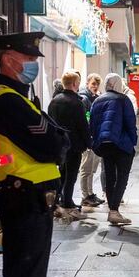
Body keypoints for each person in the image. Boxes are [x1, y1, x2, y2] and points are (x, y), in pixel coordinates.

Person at [0, 32, 69, 277]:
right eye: (29, 58)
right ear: (8, 59)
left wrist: (59, 140)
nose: (34, 64)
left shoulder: (18, 97)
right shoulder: (7, 100)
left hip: (29, 200)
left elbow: (59, 137)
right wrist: (59, 141)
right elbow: (53, 144)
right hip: (25, 201)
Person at [90, 73, 138, 225]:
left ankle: (112, 210)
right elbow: (131, 122)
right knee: (122, 177)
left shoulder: (97, 100)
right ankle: (114, 211)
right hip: (122, 144)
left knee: (110, 177)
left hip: (104, 145)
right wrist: (133, 141)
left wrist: (96, 141)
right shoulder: (123, 99)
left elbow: (93, 124)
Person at [47, 71, 92, 220]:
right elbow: (82, 125)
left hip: (58, 144)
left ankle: (58, 203)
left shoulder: (55, 100)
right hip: (74, 145)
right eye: (78, 82)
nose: (78, 85)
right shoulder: (76, 102)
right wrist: (89, 142)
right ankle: (68, 205)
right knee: (71, 175)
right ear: (74, 84)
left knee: (62, 173)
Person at [78, 73, 105, 209]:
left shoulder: (94, 98)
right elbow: (85, 119)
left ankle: (90, 193)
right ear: (87, 83)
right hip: (88, 138)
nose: (95, 86)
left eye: (97, 84)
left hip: (94, 137)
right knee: (86, 168)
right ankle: (85, 196)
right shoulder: (84, 98)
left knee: (92, 169)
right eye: (93, 84)